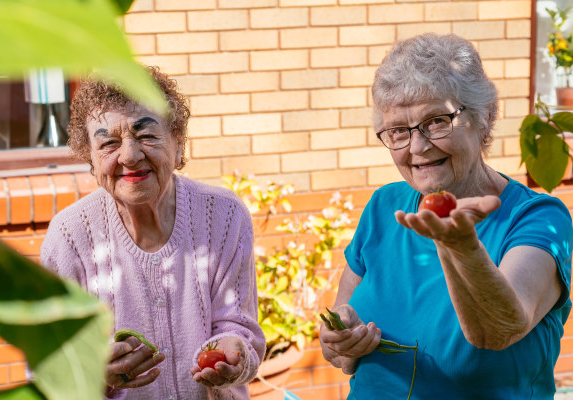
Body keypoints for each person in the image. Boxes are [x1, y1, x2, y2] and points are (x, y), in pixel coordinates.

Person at [320, 33, 573, 399]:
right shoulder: (382, 207)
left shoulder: (536, 219)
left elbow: (497, 331)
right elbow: (339, 343)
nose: (418, 147)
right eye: (398, 131)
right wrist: (340, 341)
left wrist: (460, 248)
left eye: (437, 121)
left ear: (484, 117)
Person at [40, 66, 265, 400]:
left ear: (177, 143)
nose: (130, 155)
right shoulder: (69, 237)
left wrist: (235, 352)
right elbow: (47, 369)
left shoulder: (223, 215)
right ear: (90, 158)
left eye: (146, 136)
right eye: (109, 143)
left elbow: (241, 331)